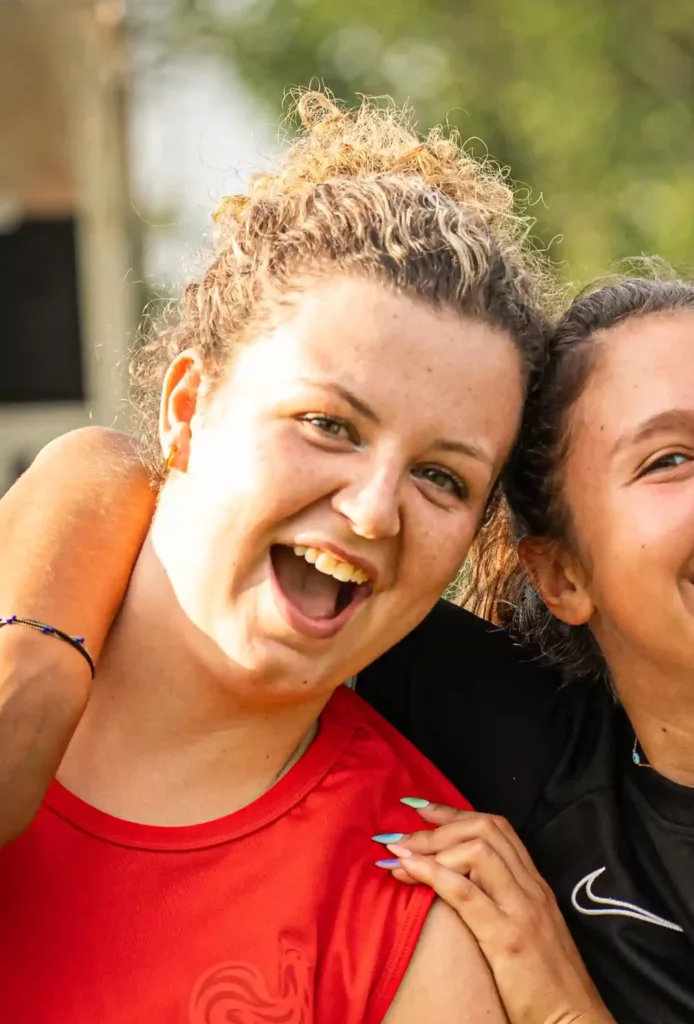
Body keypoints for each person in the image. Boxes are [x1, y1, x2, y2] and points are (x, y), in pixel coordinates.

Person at [5, 270, 694, 1024]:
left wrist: (564, 1008)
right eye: (668, 458)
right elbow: (138, 475)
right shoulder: (517, 735)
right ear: (560, 576)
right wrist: (34, 670)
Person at [0, 85, 579, 1024]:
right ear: (186, 409)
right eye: (327, 424)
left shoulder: (415, 910)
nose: (373, 509)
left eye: (442, 478)